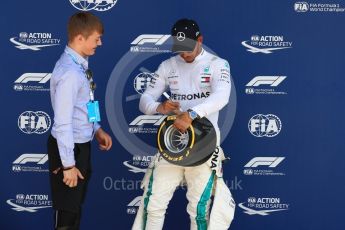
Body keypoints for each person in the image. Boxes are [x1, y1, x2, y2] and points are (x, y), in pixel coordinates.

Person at [132, 18, 235, 230]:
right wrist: (159, 108)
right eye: (180, 49)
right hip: (173, 144)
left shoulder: (218, 64)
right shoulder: (167, 65)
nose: (184, 53)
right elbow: (145, 99)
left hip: (204, 147)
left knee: (198, 211)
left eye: (188, 47)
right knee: (153, 205)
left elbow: (222, 97)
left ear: (200, 40)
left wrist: (191, 114)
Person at [47, 12, 112, 230]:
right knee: (66, 216)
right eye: (96, 39)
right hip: (69, 150)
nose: (100, 43)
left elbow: (86, 103)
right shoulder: (70, 73)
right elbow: (63, 122)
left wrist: (97, 129)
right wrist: (68, 165)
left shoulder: (81, 65)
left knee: (74, 211)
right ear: (79, 38)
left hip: (81, 146)